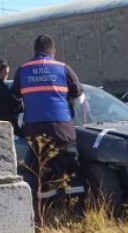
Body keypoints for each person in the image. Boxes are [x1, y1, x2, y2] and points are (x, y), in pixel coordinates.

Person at [12, 34, 85, 215]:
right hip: (62, 127)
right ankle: (75, 208)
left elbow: (15, 98)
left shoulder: (23, 70)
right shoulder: (63, 68)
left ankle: (46, 209)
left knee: (43, 168)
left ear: (35, 51)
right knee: (70, 165)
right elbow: (79, 98)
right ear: (53, 51)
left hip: (35, 128)